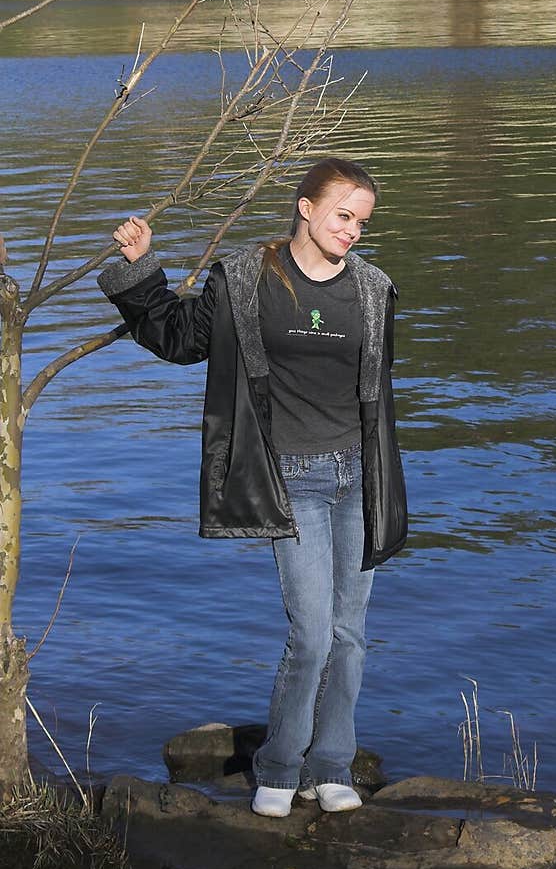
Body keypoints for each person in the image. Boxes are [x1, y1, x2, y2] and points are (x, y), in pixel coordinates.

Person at [97, 157, 407, 819]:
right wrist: (140, 270)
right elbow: (180, 338)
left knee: (350, 633)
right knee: (312, 633)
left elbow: (375, 396)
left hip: (359, 477)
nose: (352, 230)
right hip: (291, 478)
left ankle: (331, 765)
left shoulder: (374, 289)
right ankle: (280, 763)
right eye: (342, 215)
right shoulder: (246, 278)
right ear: (305, 206)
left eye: (362, 221)